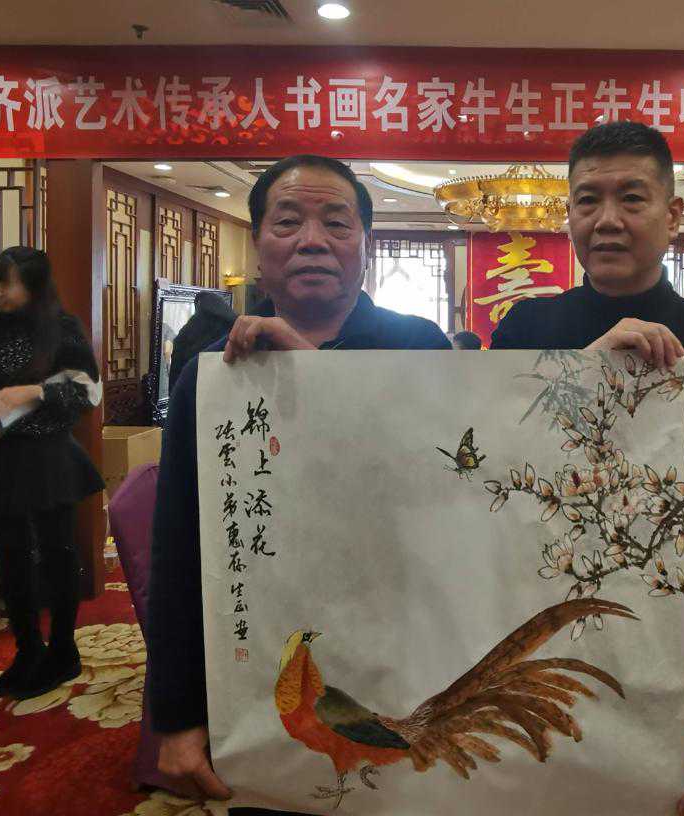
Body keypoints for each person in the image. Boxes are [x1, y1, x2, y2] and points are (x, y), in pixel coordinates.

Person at [147, 155, 450, 808]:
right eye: (288, 222)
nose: (313, 239)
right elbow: (179, 550)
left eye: (336, 222)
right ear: (258, 245)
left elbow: (450, 497)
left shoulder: (421, 347)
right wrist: (174, 716)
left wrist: (308, 372)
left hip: (406, 650)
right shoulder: (213, 376)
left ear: (366, 244)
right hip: (261, 667)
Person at [489, 122, 684, 816]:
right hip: (529, 644)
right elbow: (486, 474)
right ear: (569, 216)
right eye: (588, 200)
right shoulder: (523, 330)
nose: (606, 219)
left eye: (632, 198)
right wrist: (587, 373)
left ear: (674, 215)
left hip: (664, 657)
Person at [0, 246, 105, 700]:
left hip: (50, 457)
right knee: (11, 557)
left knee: (58, 554)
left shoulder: (63, 328)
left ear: (33, 285)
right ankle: (27, 650)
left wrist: (33, 391)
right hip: (4, 457)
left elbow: (88, 393)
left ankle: (63, 649)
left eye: (5, 283)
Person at [169, 291, 239, 393]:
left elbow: (177, 369)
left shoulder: (188, 330)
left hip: (193, 387)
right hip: (230, 386)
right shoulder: (236, 325)